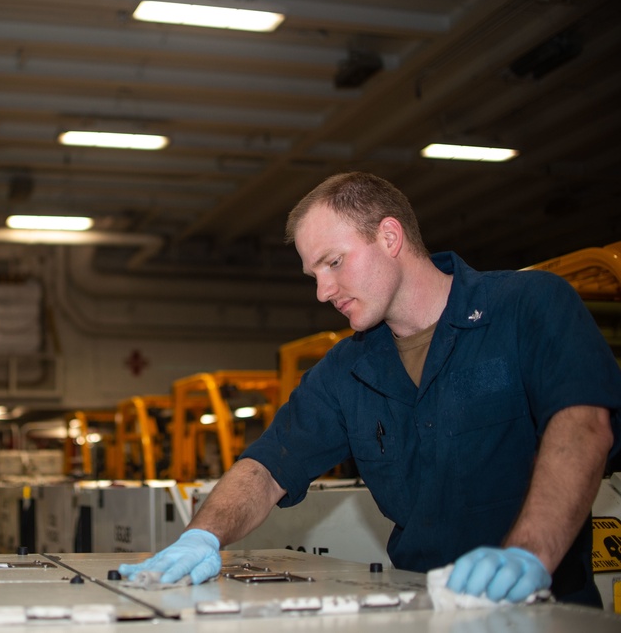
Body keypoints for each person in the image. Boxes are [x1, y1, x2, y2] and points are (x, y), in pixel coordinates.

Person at [119, 171, 621, 606]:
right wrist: (200, 536)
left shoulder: (527, 306)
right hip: (423, 610)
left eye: (333, 262)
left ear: (389, 236)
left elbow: (583, 426)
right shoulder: (345, 371)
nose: (322, 291)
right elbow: (266, 468)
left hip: (542, 607)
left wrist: (527, 556)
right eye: (312, 273)